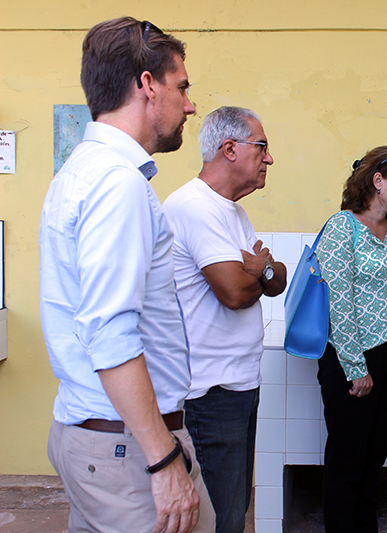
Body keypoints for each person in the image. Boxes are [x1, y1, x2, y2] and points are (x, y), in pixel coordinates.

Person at [39, 17, 215, 533]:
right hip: (130, 451)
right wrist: (164, 461)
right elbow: (111, 335)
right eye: (181, 87)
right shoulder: (117, 185)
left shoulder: (80, 170)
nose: (188, 104)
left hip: (101, 440)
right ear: (146, 84)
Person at [163, 106, 288, 533]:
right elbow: (235, 293)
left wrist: (261, 270)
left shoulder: (230, 210)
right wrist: (258, 270)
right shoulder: (195, 207)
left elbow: (276, 279)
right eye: (263, 147)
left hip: (237, 383)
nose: (269, 158)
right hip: (209, 391)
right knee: (221, 518)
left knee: (233, 511)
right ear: (229, 149)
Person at [315, 146, 387, 533]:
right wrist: (356, 367)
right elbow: (338, 301)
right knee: (347, 459)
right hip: (350, 357)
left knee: (375, 455)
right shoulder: (343, 227)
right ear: (378, 181)